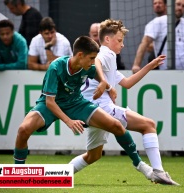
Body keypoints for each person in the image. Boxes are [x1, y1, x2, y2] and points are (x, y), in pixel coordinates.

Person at [69, 19, 179, 185]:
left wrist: (149, 66)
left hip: (91, 111)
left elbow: (127, 83)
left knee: (93, 155)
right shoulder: (106, 53)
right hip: (101, 109)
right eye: (119, 40)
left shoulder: (109, 60)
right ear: (107, 39)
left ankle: (59, 174)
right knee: (148, 125)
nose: (122, 45)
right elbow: (97, 61)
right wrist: (104, 83)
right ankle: (158, 172)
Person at [13, 36, 131, 167]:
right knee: (23, 129)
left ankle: (139, 164)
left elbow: (97, 73)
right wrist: (69, 121)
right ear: (80, 55)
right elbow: (49, 102)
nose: (93, 62)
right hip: (51, 104)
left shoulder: (88, 66)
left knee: (115, 125)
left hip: (75, 103)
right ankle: (18, 172)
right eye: (92, 58)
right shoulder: (56, 67)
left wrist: (106, 84)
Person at [132, 0, 184, 72]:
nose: (180, 8)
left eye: (183, 6)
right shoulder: (157, 22)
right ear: (170, 5)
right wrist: (136, 65)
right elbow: (145, 42)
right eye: (178, 4)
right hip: (167, 71)